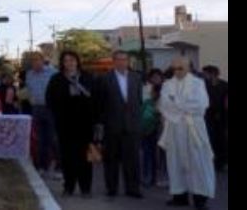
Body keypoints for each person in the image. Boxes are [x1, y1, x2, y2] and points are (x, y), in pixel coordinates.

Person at [159, 57, 216, 209]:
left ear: (188, 68)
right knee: (175, 161)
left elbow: (201, 105)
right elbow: (164, 106)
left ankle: (200, 199)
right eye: (174, 68)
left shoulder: (198, 83)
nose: (177, 72)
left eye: (180, 68)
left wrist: (176, 103)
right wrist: (182, 106)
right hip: (174, 128)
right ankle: (179, 196)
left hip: (194, 128)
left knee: (198, 162)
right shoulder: (167, 84)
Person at [46, 51, 95, 198]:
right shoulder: (57, 79)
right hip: (65, 125)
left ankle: (85, 188)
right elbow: (50, 100)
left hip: (85, 124)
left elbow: (96, 98)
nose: (69, 63)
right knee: (68, 157)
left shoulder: (87, 77)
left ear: (77, 61)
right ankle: (69, 187)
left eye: (72, 60)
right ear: (62, 63)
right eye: (66, 61)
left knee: (85, 158)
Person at [97, 50, 143, 199]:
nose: (121, 62)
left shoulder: (136, 77)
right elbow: (100, 103)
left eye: (124, 59)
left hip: (132, 126)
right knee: (111, 159)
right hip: (112, 126)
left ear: (128, 61)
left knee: (133, 160)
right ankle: (112, 188)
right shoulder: (104, 78)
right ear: (113, 61)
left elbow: (139, 101)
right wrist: (103, 123)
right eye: (118, 59)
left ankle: (133, 188)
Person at [25, 51, 59, 179]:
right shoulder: (30, 74)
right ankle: (42, 166)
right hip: (36, 109)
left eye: (37, 60)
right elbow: (29, 90)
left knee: (53, 138)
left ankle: (59, 167)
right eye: (32, 61)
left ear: (42, 60)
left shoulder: (52, 72)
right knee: (39, 140)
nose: (35, 63)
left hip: (51, 108)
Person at [201, 65, 227, 173]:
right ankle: (213, 162)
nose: (204, 76)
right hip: (209, 117)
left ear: (213, 73)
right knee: (211, 140)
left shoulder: (225, 85)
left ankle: (223, 162)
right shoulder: (204, 86)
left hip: (222, 116)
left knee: (222, 140)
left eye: (206, 73)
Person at [141, 68, 164, 188]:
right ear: (150, 78)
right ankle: (146, 176)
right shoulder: (145, 89)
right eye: (154, 77)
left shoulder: (165, 89)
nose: (156, 79)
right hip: (147, 125)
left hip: (161, 126)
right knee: (147, 152)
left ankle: (156, 178)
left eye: (158, 77)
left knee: (159, 154)